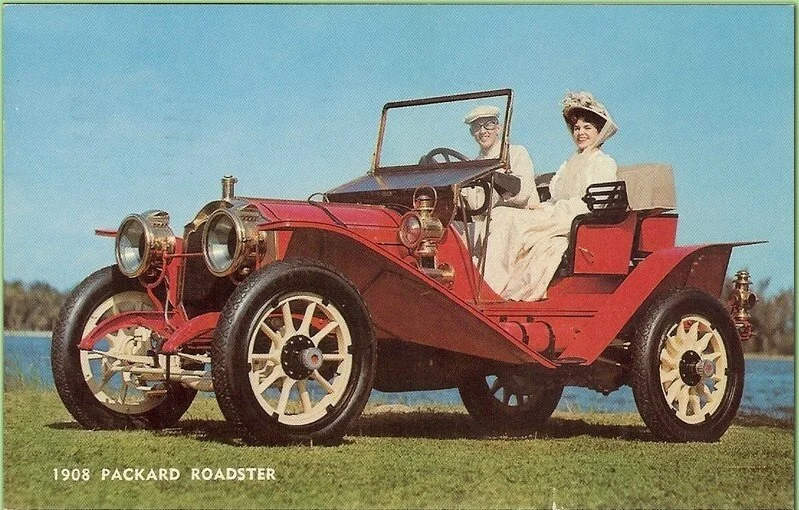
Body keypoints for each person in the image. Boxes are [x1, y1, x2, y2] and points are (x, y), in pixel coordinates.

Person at [482, 91, 619, 301]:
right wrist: (543, 207)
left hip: (579, 217)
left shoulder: (603, 162)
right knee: (500, 214)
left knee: (508, 219)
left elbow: (598, 204)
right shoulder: (570, 162)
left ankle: (491, 285)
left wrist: (555, 210)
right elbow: (555, 195)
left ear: (599, 132)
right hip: (556, 211)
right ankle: (486, 279)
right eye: (577, 128)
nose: (580, 133)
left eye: (587, 128)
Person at [462, 105, 539, 211]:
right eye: (476, 127)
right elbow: (468, 204)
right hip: (481, 224)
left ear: (498, 128)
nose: (483, 131)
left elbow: (523, 195)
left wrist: (494, 177)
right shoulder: (472, 165)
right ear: (472, 132)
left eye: (488, 125)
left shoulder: (516, 153)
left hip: (519, 218)